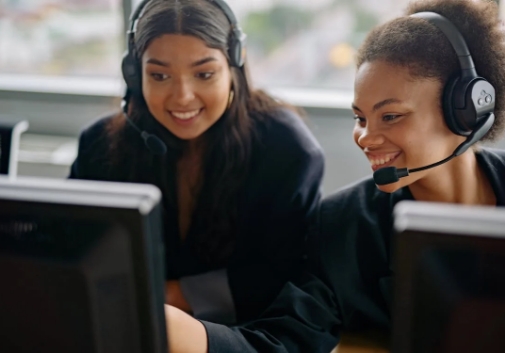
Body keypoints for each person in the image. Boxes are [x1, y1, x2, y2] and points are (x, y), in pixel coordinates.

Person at [162, 0, 505, 352]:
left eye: (390, 116)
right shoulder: (343, 226)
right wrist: (190, 336)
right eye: (360, 118)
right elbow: (287, 340)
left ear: (465, 112)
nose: (366, 138)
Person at [69, 0, 324, 326]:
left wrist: (173, 295)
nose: (182, 97)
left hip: (242, 335)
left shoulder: (288, 150)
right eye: (159, 76)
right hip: (125, 326)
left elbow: (288, 273)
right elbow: (73, 245)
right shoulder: (99, 145)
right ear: (134, 74)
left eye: (204, 74)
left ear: (235, 63)